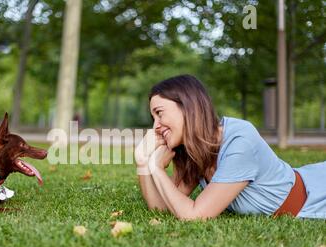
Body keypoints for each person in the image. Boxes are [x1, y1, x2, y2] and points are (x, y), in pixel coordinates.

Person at [134, 74, 326, 220]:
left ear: (187, 107)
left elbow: (195, 216)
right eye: (153, 118)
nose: (155, 127)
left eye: (159, 113)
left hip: (317, 195)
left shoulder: (240, 139)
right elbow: (162, 209)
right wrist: (143, 162)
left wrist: (157, 170)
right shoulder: (193, 150)